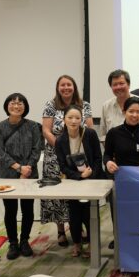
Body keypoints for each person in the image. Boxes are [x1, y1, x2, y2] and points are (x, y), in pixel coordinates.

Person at [42, 75, 93, 247]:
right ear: (58, 87)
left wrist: (73, 150)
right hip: (55, 155)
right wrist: (61, 147)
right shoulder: (51, 105)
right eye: (62, 85)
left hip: (79, 156)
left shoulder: (84, 105)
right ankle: (61, 231)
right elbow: (46, 130)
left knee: (79, 193)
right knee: (58, 194)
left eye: (69, 84)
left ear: (74, 87)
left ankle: (79, 228)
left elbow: (89, 128)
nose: (66, 88)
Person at [0, 93, 41, 260]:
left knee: (27, 209)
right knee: (10, 209)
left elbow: (36, 150)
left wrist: (27, 170)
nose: (16, 106)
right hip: (7, 175)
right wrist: (19, 168)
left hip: (29, 173)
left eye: (20, 103)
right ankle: (13, 243)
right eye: (13, 103)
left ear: (25, 107)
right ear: (7, 106)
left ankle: (25, 241)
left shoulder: (33, 126)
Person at [55, 105, 104, 258]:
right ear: (64, 119)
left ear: (81, 119)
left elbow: (98, 158)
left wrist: (91, 175)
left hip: (92, 180)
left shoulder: (89, 134)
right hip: (73, 182)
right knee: (74, 214)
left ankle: (91, 242)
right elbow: (63, 166)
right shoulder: (60, 140)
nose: (74, 121)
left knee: (89, 213)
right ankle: (77, 242)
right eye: (70, 117)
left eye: (77, 118)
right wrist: (79, 176)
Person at [104, 96, 139, 250]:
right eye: (131, 111)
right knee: (119, 212)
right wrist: (108, 163)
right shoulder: (114, 133)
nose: (135, 115)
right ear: (124, 112)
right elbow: (107, 154)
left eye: (138, 112)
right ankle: (119, 237)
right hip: (121, 180)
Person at [99, 69, 139, 137]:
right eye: (115, 84)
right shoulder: (106, 106)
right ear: (111, 87)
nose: (118, 87)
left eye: (121, 83)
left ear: (129, 85)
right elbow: (103, 134)